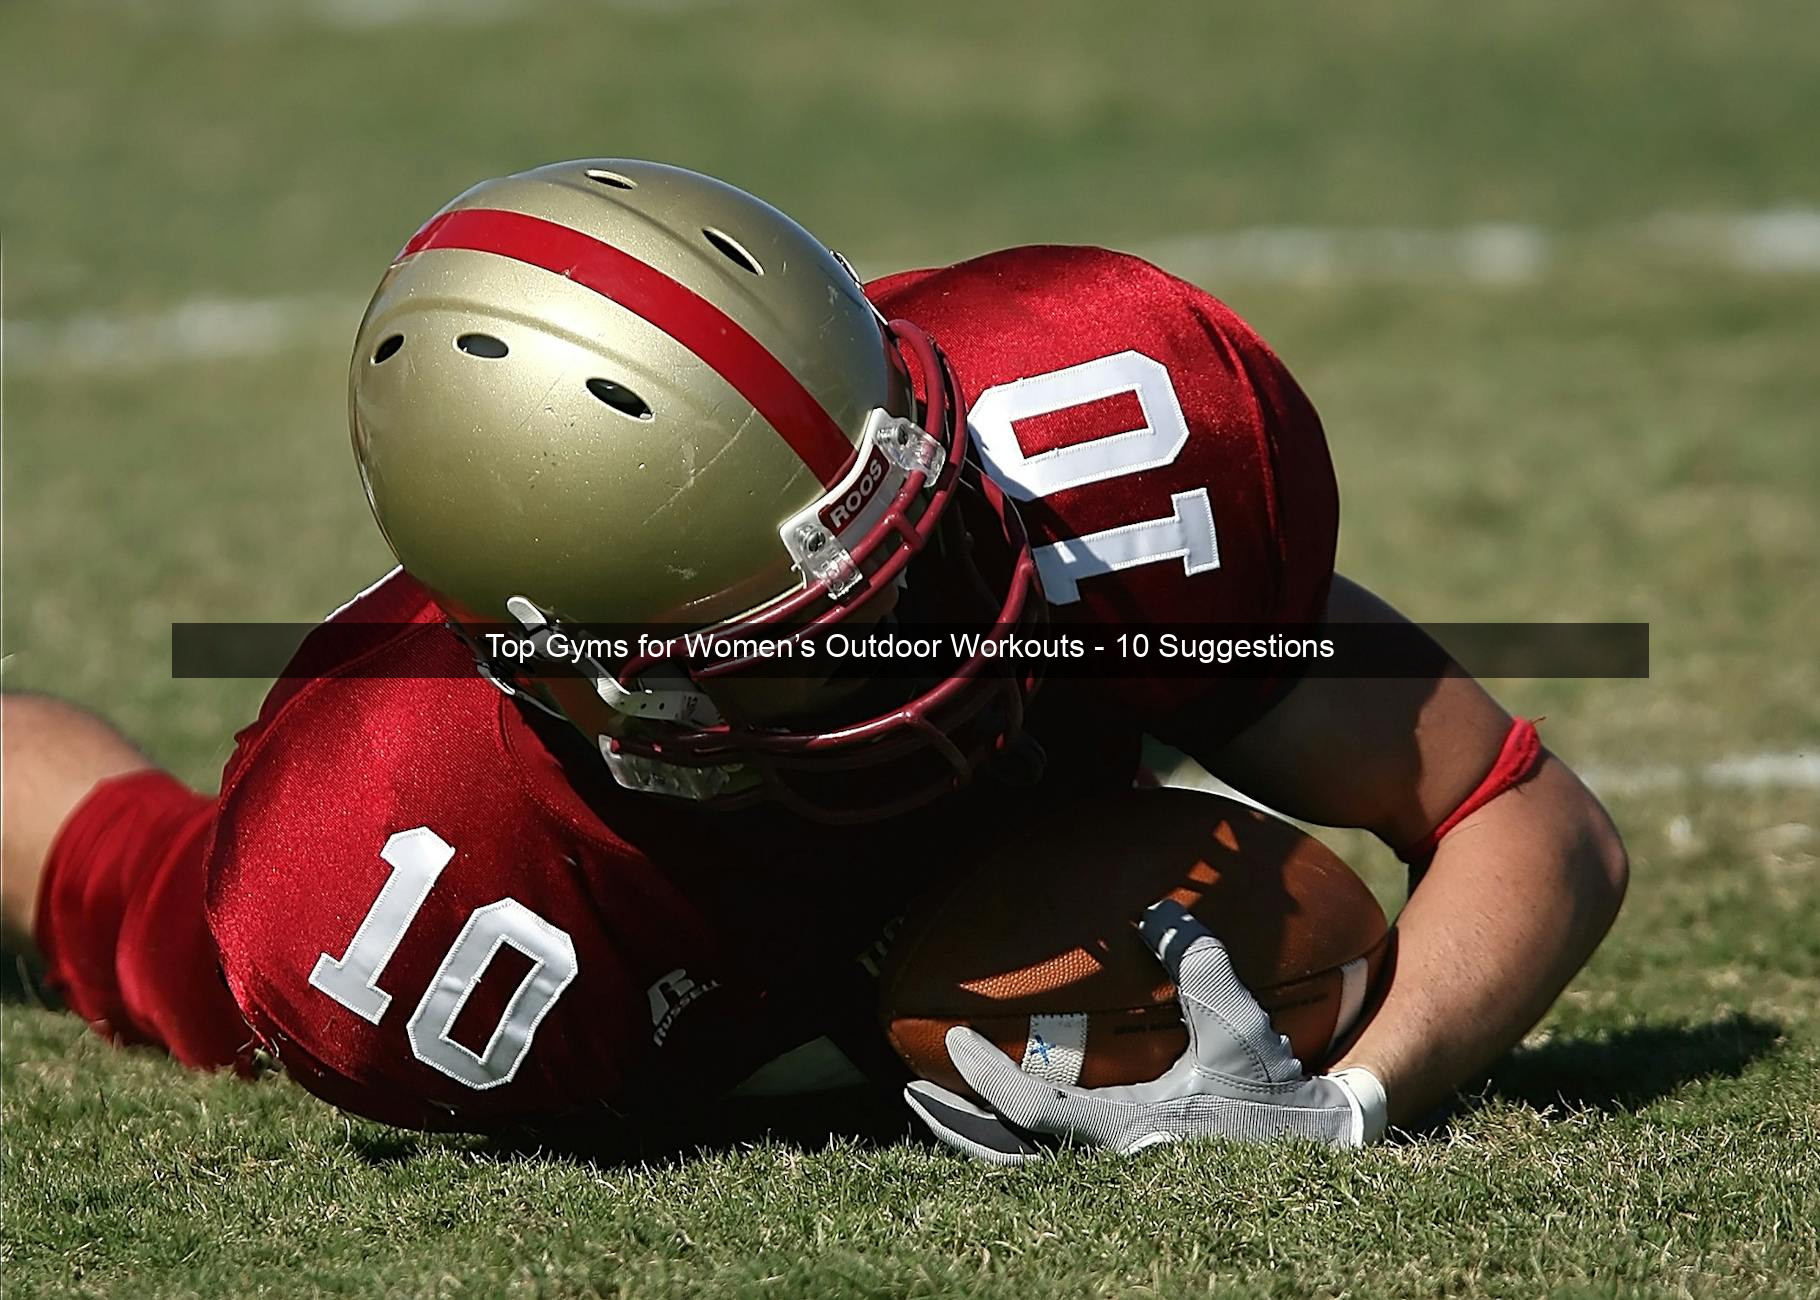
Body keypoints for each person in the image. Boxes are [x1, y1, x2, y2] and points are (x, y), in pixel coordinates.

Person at [1, 159, 1627, 1155]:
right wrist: (884, 1019)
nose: (921, 648)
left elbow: (1522, 814)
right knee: (142, 902)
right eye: (814, 645)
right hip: (640, 889)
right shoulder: (403, 894)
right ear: (592, 686)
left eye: (914, 548)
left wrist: (1343, 1110)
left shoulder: (1088, 448)